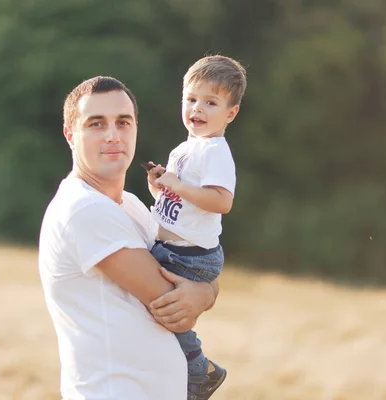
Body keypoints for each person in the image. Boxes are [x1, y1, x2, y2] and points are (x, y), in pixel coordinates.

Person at [37, 76, 220, 400]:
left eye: (123, 122)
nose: (112, 135)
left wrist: (203, 290)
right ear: (70, 134)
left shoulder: (130, 205)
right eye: (96, 124)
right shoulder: (84, 209)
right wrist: (207, 291)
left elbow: (189, 278)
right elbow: (171, 297)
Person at [142, 55, 247, 399]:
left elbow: (221, 201)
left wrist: (180, 185)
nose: (197, 109)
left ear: (230, 113)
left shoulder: (215, 151)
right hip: (174, 246)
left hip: (189, 254)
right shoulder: (184, 149)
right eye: (191, 99)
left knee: (163, 307)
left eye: (210, 103)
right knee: (151, 303)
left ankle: (200, 369)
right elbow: (176, 202)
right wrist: (159, 185)